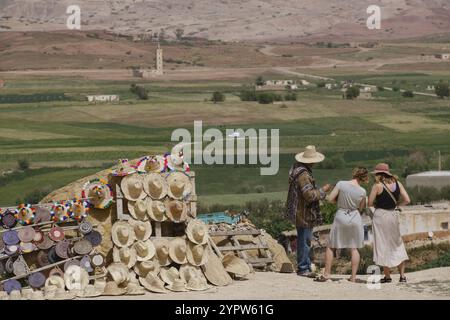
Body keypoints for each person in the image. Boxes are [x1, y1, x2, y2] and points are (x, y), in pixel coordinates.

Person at [315, 167, 369, 282]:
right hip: (355, 217)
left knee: (331, 246)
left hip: (341, 215)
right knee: (354, 248)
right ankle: (353, 277)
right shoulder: (363, 191)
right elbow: (361, 208)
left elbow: (330, 199)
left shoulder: (341, 184)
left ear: (354, 174)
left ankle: (327, 274)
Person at [286, 145, 331, 277]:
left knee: (303, 238)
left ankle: (304, 266)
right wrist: (323, 190)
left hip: (299, 210)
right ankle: (303, 267)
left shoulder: (297, 170)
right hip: (304, 212)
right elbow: (309, 195)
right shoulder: (304, 175)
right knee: (305, 239)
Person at [368, 163, 410, 283]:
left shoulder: (377, 185)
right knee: (397, 243)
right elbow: (407, 200)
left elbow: (370, 203)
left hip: (381, 216)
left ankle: (387, 276)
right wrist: (397, 205)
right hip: (393, 214)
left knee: (382, 244)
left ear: (378, 174)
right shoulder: (398, 183)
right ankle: (402, 276)